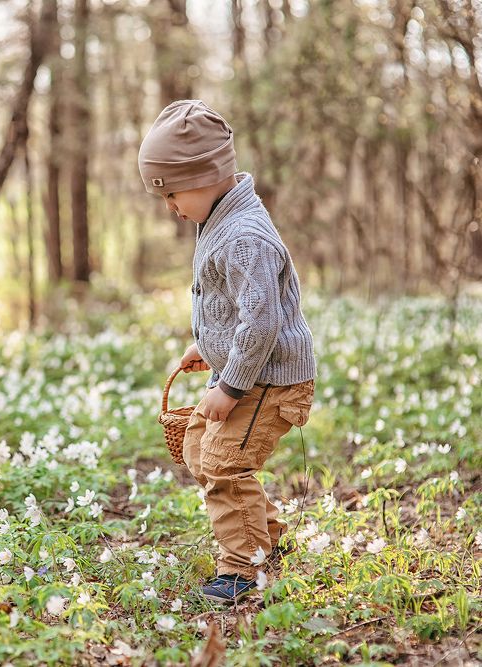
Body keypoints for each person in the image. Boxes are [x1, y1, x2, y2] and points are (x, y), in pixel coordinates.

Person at [137, 100, 317, 603]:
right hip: (247, 369)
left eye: (172, 194)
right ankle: (267, 539)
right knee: (199, 446)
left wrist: (230, 386)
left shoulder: (242, 236)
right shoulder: (219, 217)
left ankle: (243, 569)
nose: (171, 206)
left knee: (222, 463)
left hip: (268, 380)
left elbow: (261, 321)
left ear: (205, 175)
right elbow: (238, 307)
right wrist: (208, 344)